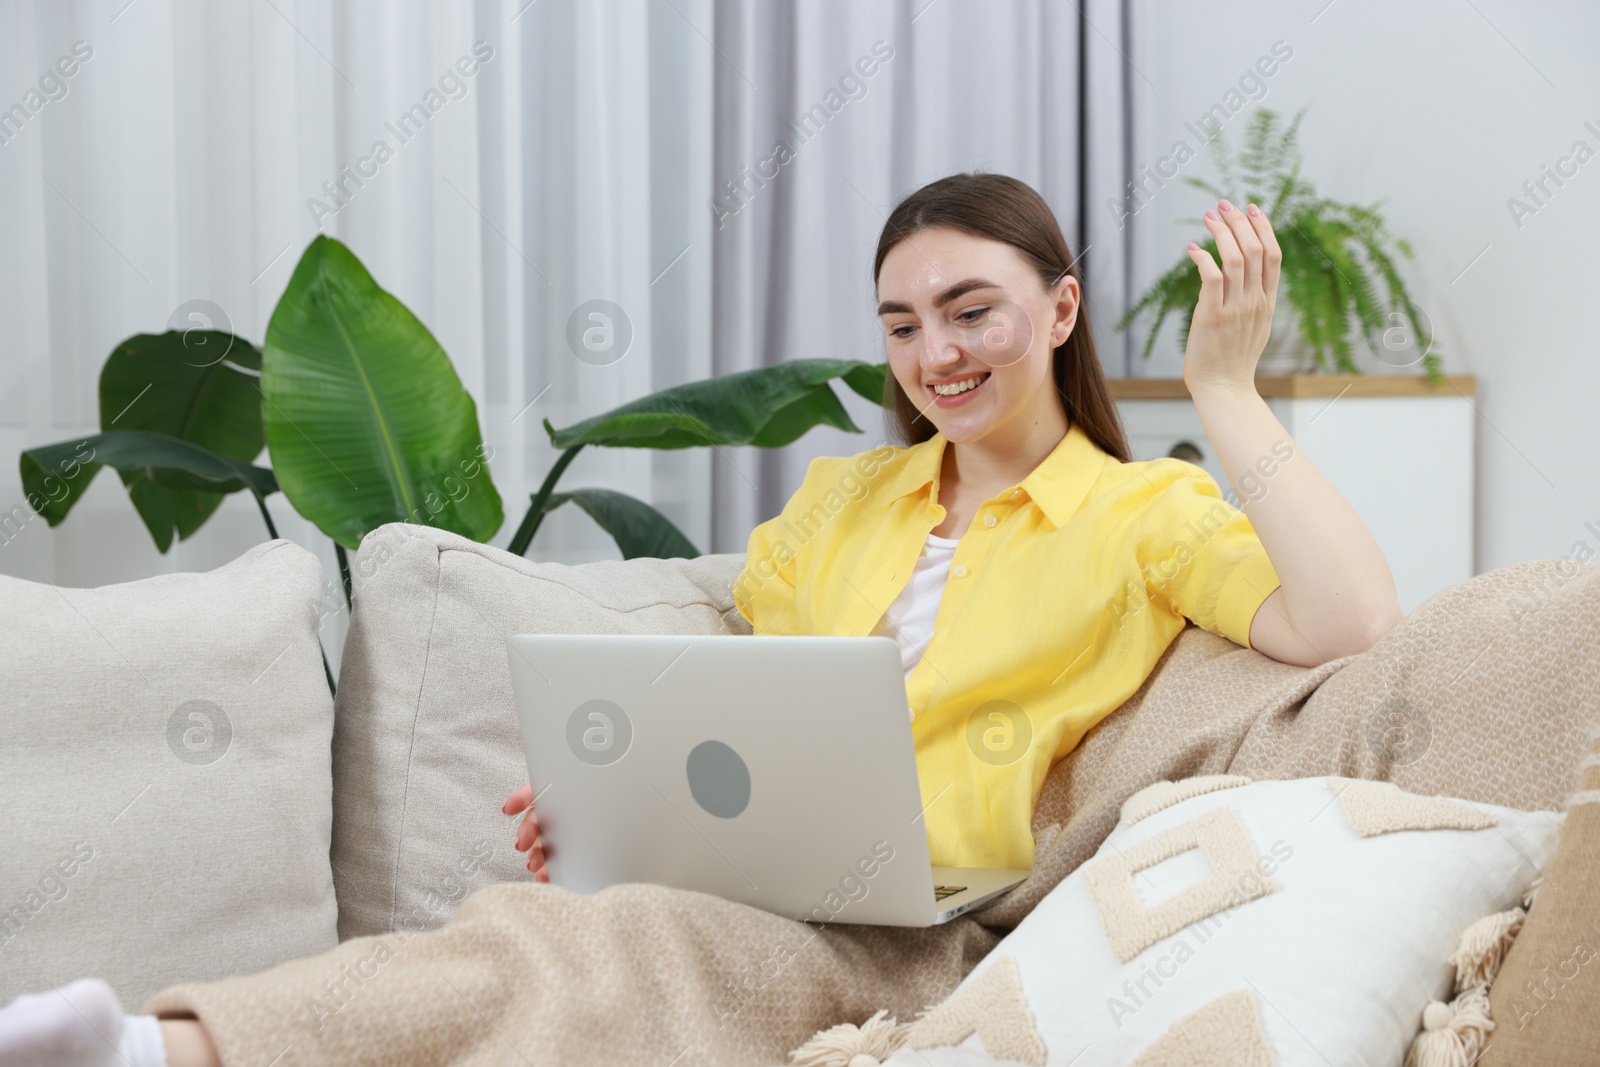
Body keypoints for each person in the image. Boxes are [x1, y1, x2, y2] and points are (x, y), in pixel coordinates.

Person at [0, 173, 1401, 1066]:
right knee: (537, 926)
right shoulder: (845, 500)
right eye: (902, 324)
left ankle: (158, 1052)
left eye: (971, 309)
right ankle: (158, 1046)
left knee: (599, 953)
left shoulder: (1141, 513)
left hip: (927, 927)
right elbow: (737, 712)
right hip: (751, 883)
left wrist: (1225, 395)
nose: (936, 355)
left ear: (1060, 311)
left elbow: (1350, 620)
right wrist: (618, 808)